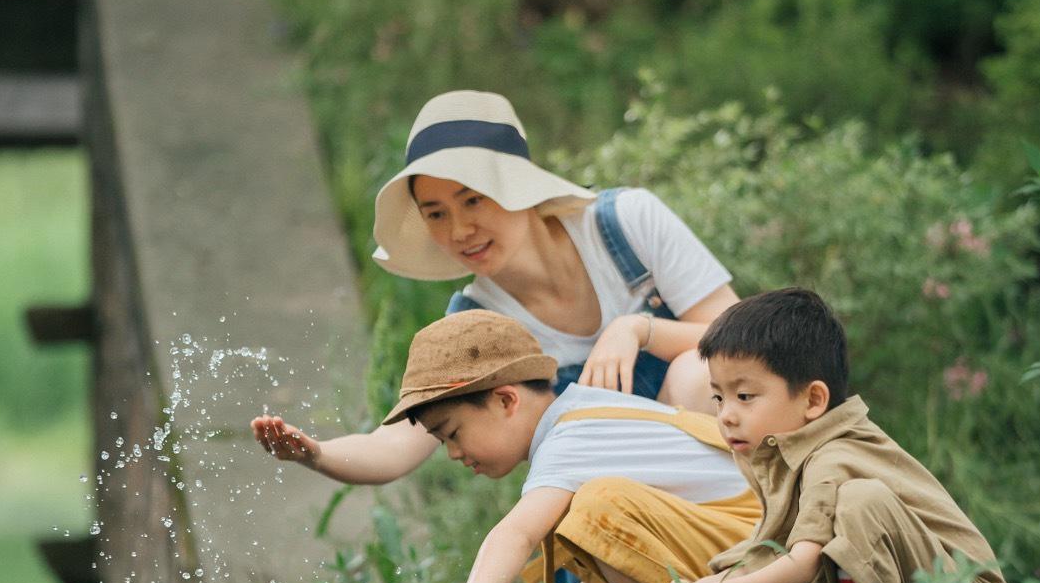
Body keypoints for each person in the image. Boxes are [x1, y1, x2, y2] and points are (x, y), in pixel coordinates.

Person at [252, 90, 738, 491]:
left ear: (517, 186)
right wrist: (314, 454)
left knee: (698, 373)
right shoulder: (474, 325)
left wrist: (637, 329)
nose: (460, 230)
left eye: (473, 200)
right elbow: (394, 446)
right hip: (609, 507)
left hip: (724, 466)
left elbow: (741, 341)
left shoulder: (626, 224)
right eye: (436, 213)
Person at [665, 289, 1012, 583]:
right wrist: (712, 582)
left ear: (813, 400)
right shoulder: (776, 452)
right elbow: (773, 550)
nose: (726, 414)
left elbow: (801, 568)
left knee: (860, 502)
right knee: (757, 558)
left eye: (745, 396)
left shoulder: (835, 455)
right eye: (718, 397)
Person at [374, 311, 762, 583]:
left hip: (760, 561)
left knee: (596, 510)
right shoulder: (584, 414)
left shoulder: (567, 439)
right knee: (585, 517)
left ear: (506, 400)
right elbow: (671, 504)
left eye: (453, 434)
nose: (454, 453)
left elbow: (517, 532)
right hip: (745, 549)